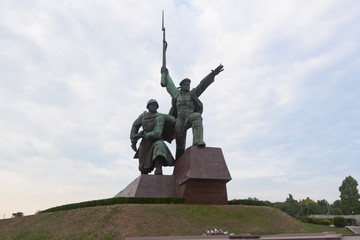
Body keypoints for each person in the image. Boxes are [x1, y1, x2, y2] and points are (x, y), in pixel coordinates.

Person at [160, 64, 224, 160]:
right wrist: (166, 73)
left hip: (189, 117)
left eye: (188, 84)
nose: (187, 86)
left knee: (197, 116)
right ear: (181, 86)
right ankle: (178, 165)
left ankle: (197, 142)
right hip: (179, 121)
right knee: (180, 148)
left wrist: (213, 74)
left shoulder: (193, 93)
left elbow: (203, 84)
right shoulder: (176, 94)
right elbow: (170, 85)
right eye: (184, 84)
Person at [130, 99, 175, 175]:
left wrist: (145, 135)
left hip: (156, 140)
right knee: (143, 169)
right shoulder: (143, 116)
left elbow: (157, 133)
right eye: (151, 105)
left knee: (159, 147)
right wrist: (133, 138)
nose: (153, 106)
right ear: (148, 107)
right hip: (145, 143)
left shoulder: (160, 117)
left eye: (155, 105)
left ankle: (158, 167)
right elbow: (135, 125)